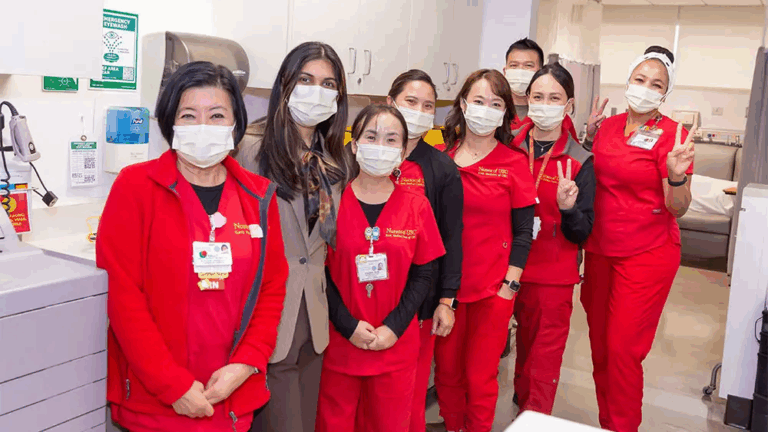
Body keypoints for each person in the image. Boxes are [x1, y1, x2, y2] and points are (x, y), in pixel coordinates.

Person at [96, 61, 289, 432]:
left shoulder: (258, 196)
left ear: (235, 123)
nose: (203, 126)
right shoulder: (136, 187)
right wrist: (172, 385)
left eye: (217, 115)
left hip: (231, 393)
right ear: (171, 122)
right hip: (155, 400)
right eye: (189, 114)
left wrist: (247, 363)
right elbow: (123, 297)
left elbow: (271, 288)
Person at [233, 41, 350, 432]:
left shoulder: (333, 161)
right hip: (267, 312)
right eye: (306, 79)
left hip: (314, 315)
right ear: (285, 84)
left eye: (328, 83)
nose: (317, 90)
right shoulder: (249, 149)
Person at [581, 46, 696, 432]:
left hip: (647, 252)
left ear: (666, 93)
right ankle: (607, 422)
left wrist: (677, 175)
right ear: (629, 80)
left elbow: (677, 207)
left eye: (656, 84)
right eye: (640, 79)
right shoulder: (609, 127)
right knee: (600, 348)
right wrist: (587, 135)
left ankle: (623, 426)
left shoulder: (673, 134)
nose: (645, 88)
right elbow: (593, 178)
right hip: (600, 249)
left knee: (623, 351)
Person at [316, 104, 446, 432]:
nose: (380, 146)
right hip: (340, 345)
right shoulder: (329, 202)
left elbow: (424, 274)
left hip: (395, 347)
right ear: (355, 145)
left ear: (403, 152)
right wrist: (347, 325)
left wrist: (393, 327)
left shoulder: (417, 206)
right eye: (371, 137)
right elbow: (317, 271)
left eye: (391, 140)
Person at [432, 69, 537, 432]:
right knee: (446, 374)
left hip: (493, 290)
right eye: (478, 101)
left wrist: (510, 285)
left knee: (480, 378)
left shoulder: (513, 162)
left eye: (496, 103)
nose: (485, 109)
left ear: (505, 112)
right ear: (462, 104)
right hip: (446, 292)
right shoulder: (439, 160)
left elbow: (524, 232)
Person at [509, 63, 595, 415]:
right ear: (527, 99)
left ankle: (533, 417)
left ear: (569, 105)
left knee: (542, 358)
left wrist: (568, 209)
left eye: (554, 98)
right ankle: (520, 402)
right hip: (503, 268)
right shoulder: (508, 148)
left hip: (551, 275)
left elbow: (583, 231)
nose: (545, 104)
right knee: (514, 351)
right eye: (538, 96)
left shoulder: (580, 159)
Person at [387, 69, 464, 432]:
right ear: (391, 104)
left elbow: (451, 239)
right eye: (410, 102)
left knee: (410, 396)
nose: (418, 111)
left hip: (420, 299)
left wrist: (447, 300)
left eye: (428, 106)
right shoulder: (360, 156)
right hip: (364, 298)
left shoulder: (442, 169)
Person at [503, 38, 578, 139]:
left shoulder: (557, 115)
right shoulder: (495, 109)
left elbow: (574, 152)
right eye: (514, 65)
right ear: (505, 71)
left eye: (528, 65)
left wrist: (589, 140)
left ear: (540, 71)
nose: (520, 71)